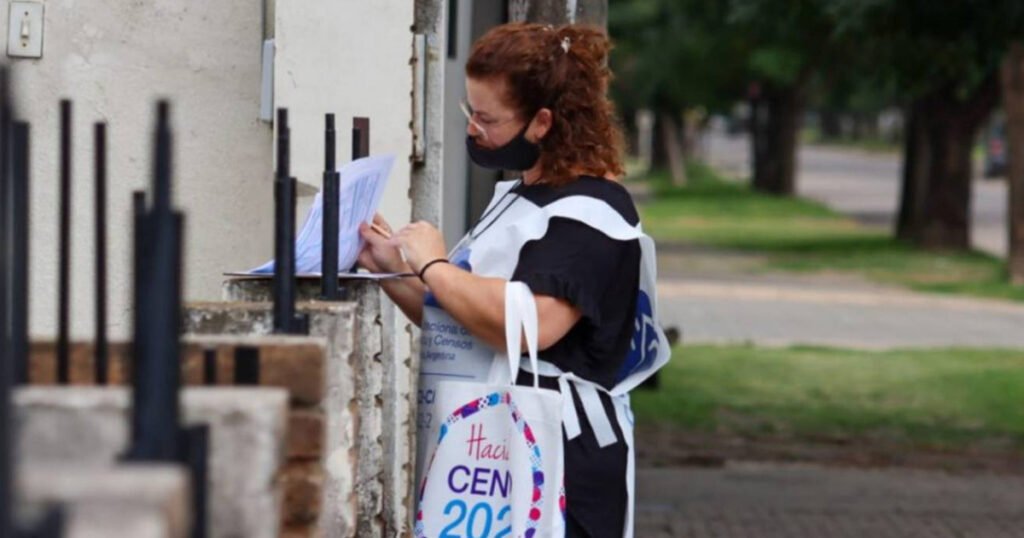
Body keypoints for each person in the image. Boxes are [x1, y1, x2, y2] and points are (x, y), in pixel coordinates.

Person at [358, 22, 666, 538]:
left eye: (485, 118)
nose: (472, 130)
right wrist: (387, 267)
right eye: (469, 113)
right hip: (497, 449)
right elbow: (468, 319)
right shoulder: (522, 195)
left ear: (542, 122)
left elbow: (531, 326)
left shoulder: (593, 212)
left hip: (561, 459)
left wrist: (432, 263)